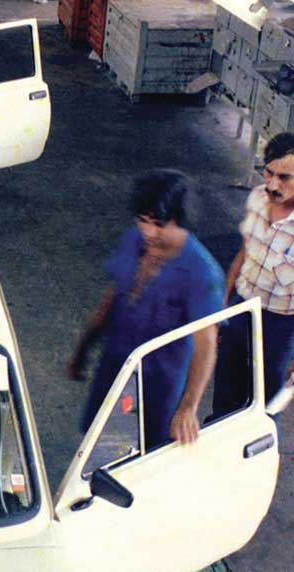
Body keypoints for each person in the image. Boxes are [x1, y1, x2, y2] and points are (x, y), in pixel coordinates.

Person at [66, 169, 224, 449]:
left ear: (180, 219)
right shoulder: (133, 241)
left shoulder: (202, 273)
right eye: (143, 221)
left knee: (145, 454)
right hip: (115, 367)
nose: (148, 231)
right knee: (99, 444)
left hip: (158, 385)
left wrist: (188, 407)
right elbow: (112, 297)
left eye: (159, 224)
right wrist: (83, 347)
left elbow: (206, 342)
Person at [213, 132, 294, 418]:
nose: (273, 184)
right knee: (225, 389)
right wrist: (221, 312)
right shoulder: (256, 199)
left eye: (285, 177)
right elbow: (243, 254)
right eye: (269, 173)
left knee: (264, 402)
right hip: (241, 306)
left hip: (280, 324)